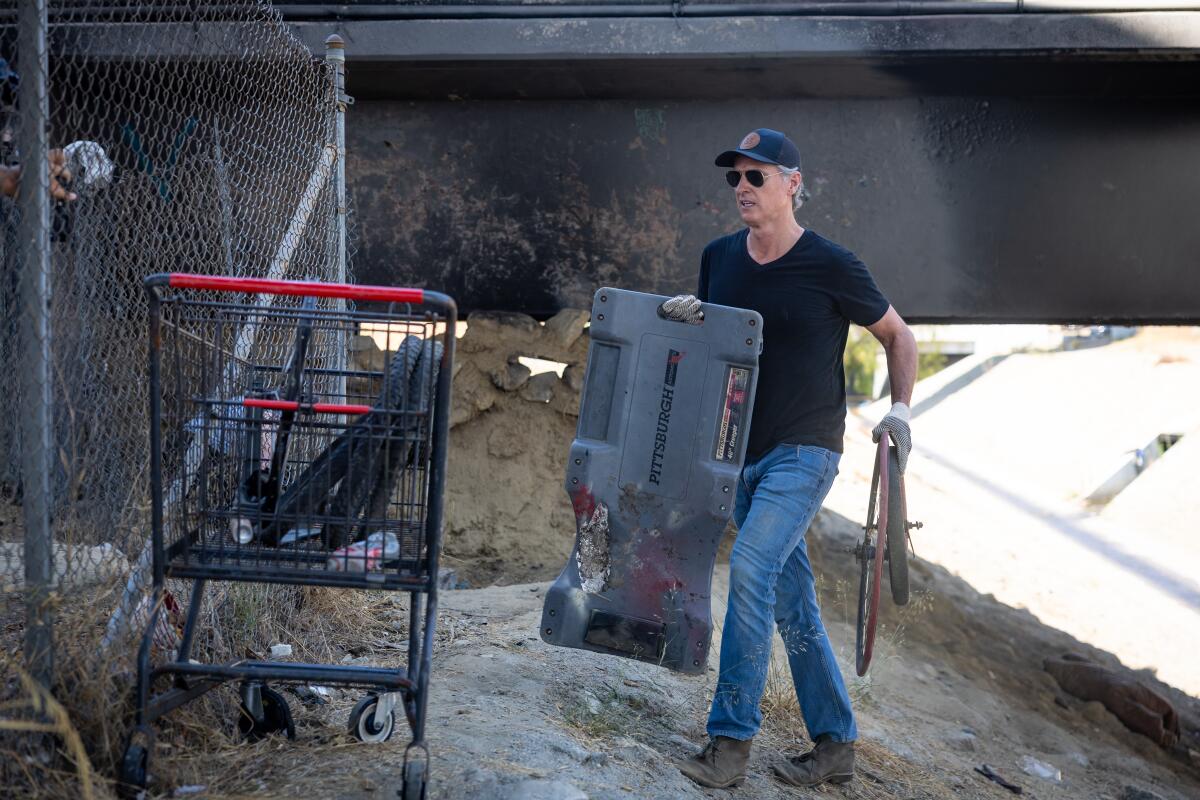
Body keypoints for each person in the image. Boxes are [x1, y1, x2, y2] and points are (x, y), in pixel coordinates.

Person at [667, 128, 917, 789]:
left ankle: (729, 746)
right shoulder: (719, 257)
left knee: (749, 567)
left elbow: (898, 335)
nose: (742, 188)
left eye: (757, 177)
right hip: (739, 451)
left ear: (792, 184)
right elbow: (715, 347)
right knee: (791, 601)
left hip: (804, 452)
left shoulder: (831, 264)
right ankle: (835, 747)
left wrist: (901, 410)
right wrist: (685, 321)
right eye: (735, 179)